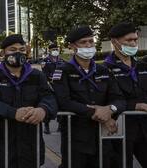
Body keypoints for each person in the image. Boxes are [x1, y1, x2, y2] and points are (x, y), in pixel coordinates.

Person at [0, 34, 57, 168]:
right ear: (3, 53)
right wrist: (13, 113)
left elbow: (50, 97)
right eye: (12, 50)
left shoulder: (36, 76)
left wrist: (43, 110)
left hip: (30, 148)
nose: (18, 53)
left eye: (21, 50)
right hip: (0, 148)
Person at [52, 26, 126, 168]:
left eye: (91, 42)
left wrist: (110, 110)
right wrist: (97, 113)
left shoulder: (103, 70)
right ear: (72, 46)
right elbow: (63, 101)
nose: (88, 46)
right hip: (75, 135)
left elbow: (119, 98)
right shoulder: (63, 71)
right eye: (83, 42)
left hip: (103, 134)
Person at [103, 22, 147, 168]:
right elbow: (105, 99)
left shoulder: (141, 66)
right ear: (115, 42)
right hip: (120, 129)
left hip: (144, 127)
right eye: (129, 40)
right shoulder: (104, 69)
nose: (134, 43)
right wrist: (135, 105)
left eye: (135, 39)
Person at [41, 43, 64, 134]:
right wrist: (48, 83)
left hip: (60, 86)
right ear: (49, 50)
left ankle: (60, 125)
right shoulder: (45, 61)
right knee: (49, 105)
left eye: (56, 49)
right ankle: (46, 126)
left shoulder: (62, 61)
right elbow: (44, 74)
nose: (55, 51)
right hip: (49, 85)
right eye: (53, 49)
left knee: (61, 106)